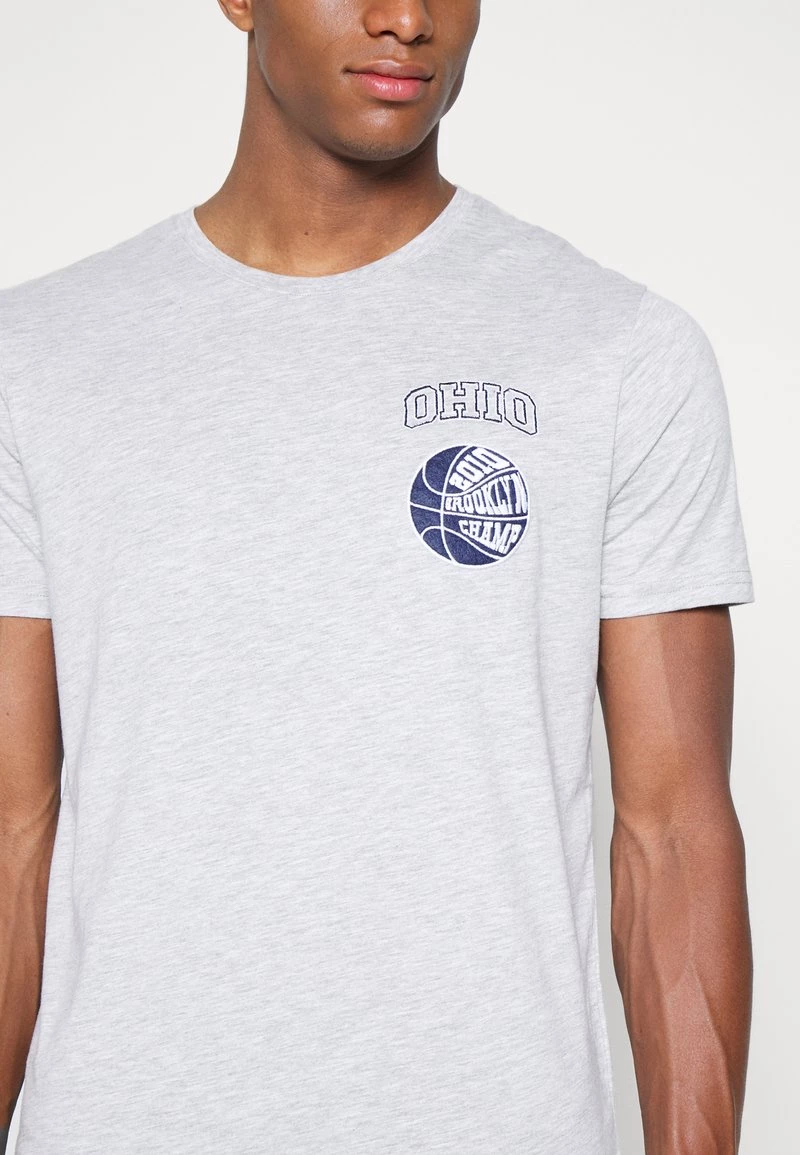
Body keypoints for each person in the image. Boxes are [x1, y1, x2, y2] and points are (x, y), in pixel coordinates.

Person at [0, 2, 755, 1153]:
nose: (404, 18)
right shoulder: (39, 363)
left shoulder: (613, 352)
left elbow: (672, 835)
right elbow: (13, 826)